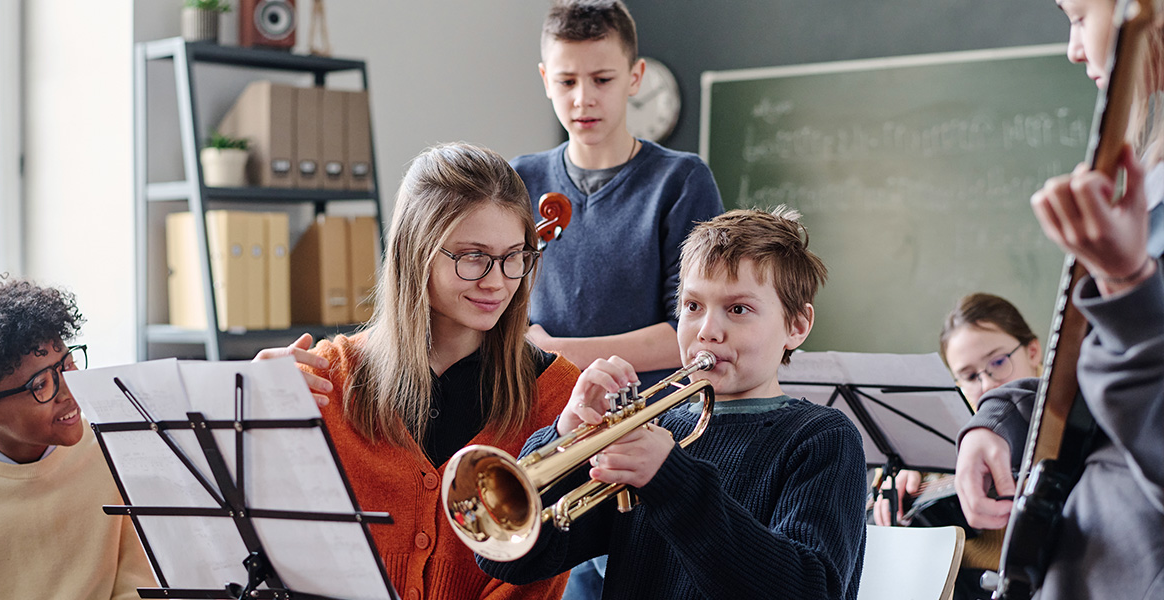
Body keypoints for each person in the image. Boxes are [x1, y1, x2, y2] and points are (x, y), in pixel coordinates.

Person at [478, 208, 868, 600]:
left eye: (738, 310)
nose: (707, 332)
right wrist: (564, 437)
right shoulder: (656, 432)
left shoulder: (821, 441)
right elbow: (507, 561)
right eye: (693, 307)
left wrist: (672, 480)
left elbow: (807, 590)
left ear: (796, 326)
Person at [257, 143, 580, 600]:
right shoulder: (328, 375)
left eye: (515, 256)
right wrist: (244, 417)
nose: (498, 280)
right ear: (415, 251)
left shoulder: (559, 394)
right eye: (473, 256)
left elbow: (535, 578)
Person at [954, 1, 1164, 597]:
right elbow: (1089, 397)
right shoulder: (1148, 184)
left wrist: (1127, 288)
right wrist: (996, 423)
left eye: (1078, 16)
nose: (1073, 49)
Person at [514, 3, 723, 593]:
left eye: (602, 80)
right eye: (566, 81)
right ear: (544, 80)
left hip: (641, 434)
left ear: (635, 77)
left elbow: (686, 334)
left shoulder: (681, 180)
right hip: (537, 427)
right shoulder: (518, 180)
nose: (583, 99)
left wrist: (556, 349)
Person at [0, 274, 154, 599]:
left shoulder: (114, 449)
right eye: (41, 385)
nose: (68, 391)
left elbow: (140, 584)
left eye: (68, 364)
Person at [874, 293, 1041, 600]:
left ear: (1033, 351)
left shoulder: (1070, 422)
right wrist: (904, 472)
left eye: (999, 362)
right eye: (969, 376)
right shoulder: (946, 437)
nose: (988, 384)